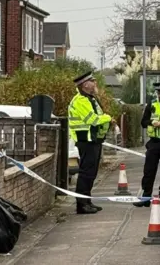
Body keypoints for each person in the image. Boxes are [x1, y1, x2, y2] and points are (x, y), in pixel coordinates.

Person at [68, 71, 115, 214]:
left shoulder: (89, 99)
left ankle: (87, 201)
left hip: (93, 140)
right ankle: (82, 205)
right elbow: (93, 120)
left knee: (91, 173)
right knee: (86, 173)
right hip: (86, 140)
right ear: (84, 85)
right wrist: (108, 118)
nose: (95, 83)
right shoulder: (80, 101)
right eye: (92, 81)